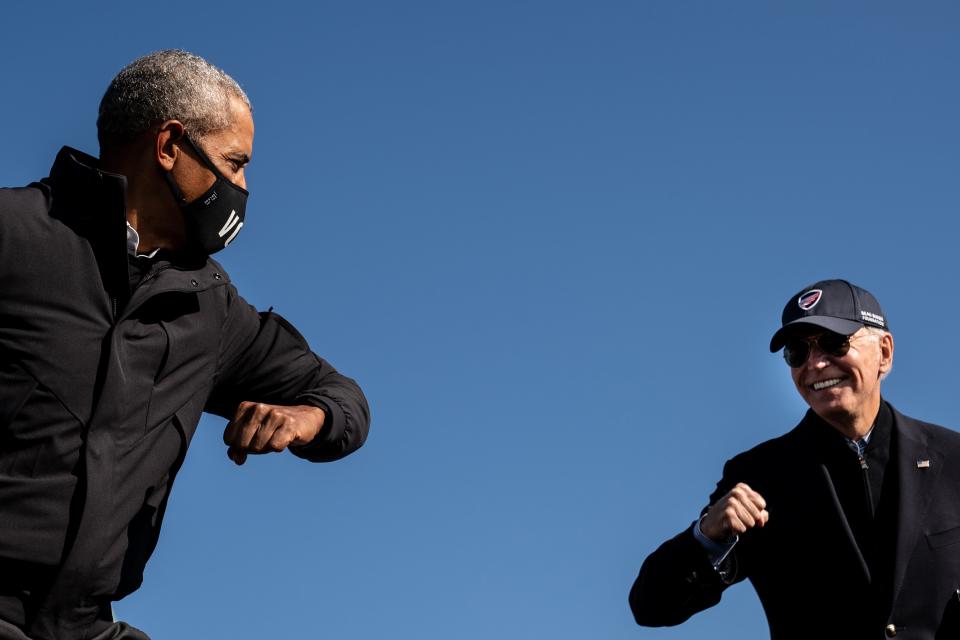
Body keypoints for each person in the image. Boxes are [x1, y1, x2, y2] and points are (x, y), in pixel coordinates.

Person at [0, 50, 370, 640]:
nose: (242, 188)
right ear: (170, 145)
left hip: (84, 626)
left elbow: (340, 395)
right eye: (234, 162)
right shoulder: (12, 235)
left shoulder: (212, 309)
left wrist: (310, 417)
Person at [629, 279, 960, 639]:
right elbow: (651, 605)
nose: (815, 364)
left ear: (885, 352)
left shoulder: (953, 459)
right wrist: (707, 538)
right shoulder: (759, 476)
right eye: (797, 352)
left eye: (835, 343)